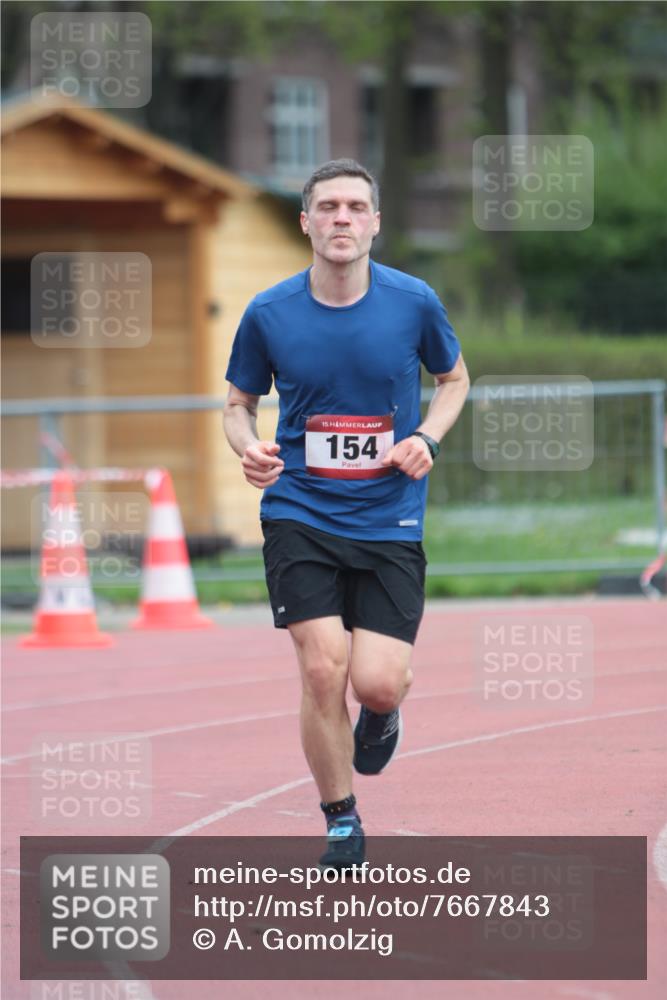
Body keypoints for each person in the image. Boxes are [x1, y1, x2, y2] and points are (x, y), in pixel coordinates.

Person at [223, 159, 469, 869]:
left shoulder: (413, 301)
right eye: (326, 206)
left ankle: (384, 717)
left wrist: (426, 437)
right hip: (299, 507)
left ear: (374, 223)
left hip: (389, 512)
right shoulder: (269, 312)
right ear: (305, 222)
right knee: (322, 670)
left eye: (355, 207)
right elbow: (237, 404)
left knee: (376, 682)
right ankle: (339, 817)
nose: (341, 218)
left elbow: (452, 380)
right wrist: (248, 449)